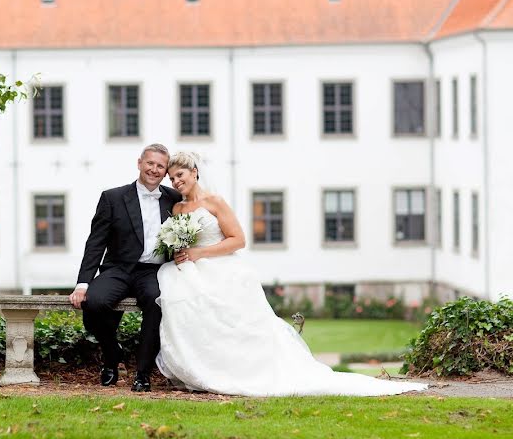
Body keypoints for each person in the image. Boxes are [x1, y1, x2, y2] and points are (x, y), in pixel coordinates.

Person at [155, 152, 428, 397]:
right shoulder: (177, 209)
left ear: (194, 173)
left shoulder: (215, 202)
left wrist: (200, 254)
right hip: (190, 270)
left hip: (220, 268)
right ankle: (202, 368)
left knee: (238, 324)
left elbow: (238, 240)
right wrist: (181, 251)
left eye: (180, 175)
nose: (175, 181)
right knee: (184, 301)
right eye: (171, 178)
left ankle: (243, 372)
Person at [69, 143, 181, 392]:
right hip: (118, 268)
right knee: (94, 302)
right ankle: (112, 353)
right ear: (139, 163)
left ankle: (143, 373)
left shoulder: (174, 200)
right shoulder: (113, 197)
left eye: (160, 166)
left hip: (153, 271)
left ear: (165, 172)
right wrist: (83, 283)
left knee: (156, 302)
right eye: (150, 163)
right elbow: (95, 242)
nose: (154, 169)